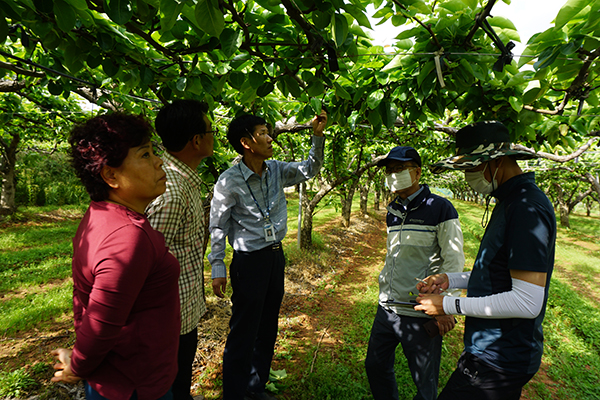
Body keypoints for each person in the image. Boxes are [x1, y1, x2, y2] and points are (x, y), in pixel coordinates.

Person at [415, 121, 556, 400]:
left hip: (499, 356)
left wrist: (448, 304)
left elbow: (527, 302)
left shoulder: (526, 208)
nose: (468, 176)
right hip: (489, 350)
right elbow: (497, 272)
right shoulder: (510, 201)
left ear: (497, 162)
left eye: (471, 168)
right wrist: (449, 279)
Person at [51, 113, 181, 400]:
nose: (159, 161)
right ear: (111, 176)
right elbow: (100, 323)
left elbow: (82, 300)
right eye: (145, 155)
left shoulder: (100, 215)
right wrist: (78, 365)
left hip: (122, 377)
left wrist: (80, 358)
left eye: (154, 152)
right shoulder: (127, 238)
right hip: (134, 386)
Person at [208, 110, 327, 400]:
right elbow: (218, 224)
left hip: (275, 257)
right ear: (246, 142)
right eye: (263, 132)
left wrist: (318, 135)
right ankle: (234, 393)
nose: (270, 138)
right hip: (249, 262)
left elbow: (310, 169)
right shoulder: (229, 181)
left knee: (268, 324)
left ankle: (255, 387)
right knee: (244, 329)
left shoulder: (276, 170)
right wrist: (217, 266)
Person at [364, 146, 465, 400]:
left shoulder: (440, 209)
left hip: (420, 311)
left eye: (399, 169)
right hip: (387, 307)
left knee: (424, 381)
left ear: (417, 172)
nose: (392, 175)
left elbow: (453, 260)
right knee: (375, 366)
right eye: (389, 171)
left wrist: (445, 306)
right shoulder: (393, 210)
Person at [146, 100, 214, 400]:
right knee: (171, 382)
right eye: (211, 129)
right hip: (169, 316)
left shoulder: (183, 180)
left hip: (182, 310)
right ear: (196, 140)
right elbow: (147, 261)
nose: (215, 136)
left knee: (180, 380)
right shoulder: (171, 192)